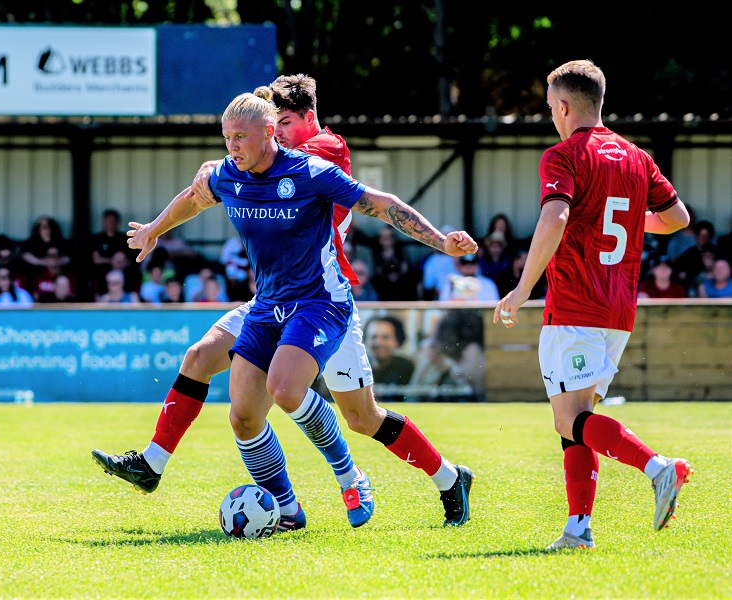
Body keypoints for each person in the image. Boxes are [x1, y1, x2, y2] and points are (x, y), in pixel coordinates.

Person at [93, 75, 479, 530]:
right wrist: (154, 229)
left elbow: (379, 204)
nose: (232, 146)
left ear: (274, 129)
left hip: (323, 300)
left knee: (348, 412)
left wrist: (440, 241)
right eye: (227, 138)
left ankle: (413, 477)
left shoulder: (319, 158)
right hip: (269, 302)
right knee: (238, 408)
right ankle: (280, 505)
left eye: (242, 136)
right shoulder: (232, 172)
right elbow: (193, 199)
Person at [493, 60, 693, 551]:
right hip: (618, 310)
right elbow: (677, 218)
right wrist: (612, 215)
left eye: (550, 108)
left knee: (569, 419)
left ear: (563, 106)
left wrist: (522, 288)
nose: (551, 116)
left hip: (576, 304)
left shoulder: (563, 155)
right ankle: (578, 529)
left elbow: (556, 216)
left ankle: (658, 467)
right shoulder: (636, 157)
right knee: (577, 417)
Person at [365, 315, 415, 402]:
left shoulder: (406, 367)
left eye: (385, 337)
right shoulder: (357, 366)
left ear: (397, 340)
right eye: (374, 337)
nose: (378, 342)